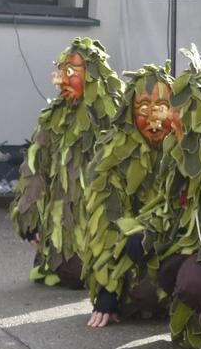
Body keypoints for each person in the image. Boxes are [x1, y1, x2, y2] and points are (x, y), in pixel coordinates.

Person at [124, 47, 201, 349]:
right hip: (190, 244)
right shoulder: (177, 151)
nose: (170, 115)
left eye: (179, 107)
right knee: (144, 283)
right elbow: (171, 208)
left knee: (193, 282)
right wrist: (144, 232)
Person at [10, 38, 123, 289]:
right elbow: (35, 168)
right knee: (70, 274)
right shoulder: (53, 118)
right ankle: (55, 253)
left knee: (78, 275)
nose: (61, 80)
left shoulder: (114, 116)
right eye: (61, 72)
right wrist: (29, 217)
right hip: (63, 225)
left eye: (70, 72)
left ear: (92, 75)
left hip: (101, 227)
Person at [81, 64, 181, 327]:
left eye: (161, 107)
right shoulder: (114, 155)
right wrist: (107, 291)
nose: (154, 120)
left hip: (171, 249)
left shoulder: (187, 151)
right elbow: (106, 223)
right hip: (132, 258)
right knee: (141, 297)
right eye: (144, 110)